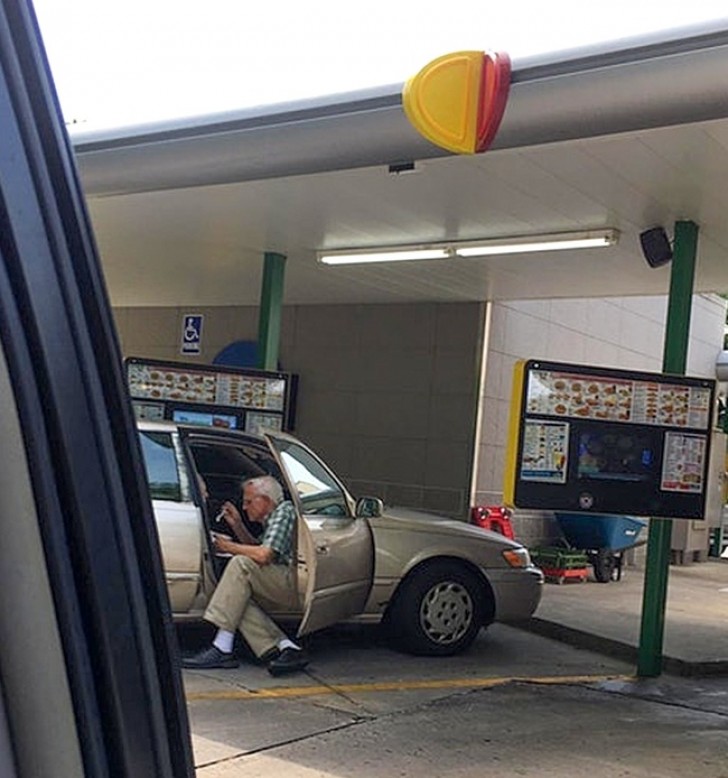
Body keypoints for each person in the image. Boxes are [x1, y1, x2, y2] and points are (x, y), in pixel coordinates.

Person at [182, 474, 308, 676]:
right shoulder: (271, 518)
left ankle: (222, 646)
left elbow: (264, 555)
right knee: (236, 597)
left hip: (293, 582)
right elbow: (257, 547)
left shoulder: (284, 512)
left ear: (266, 500)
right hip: (278, 579)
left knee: (240, 564)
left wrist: (228, 546)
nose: (244, 506)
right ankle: (285, 647)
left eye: (249, 502)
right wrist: (237, 525)